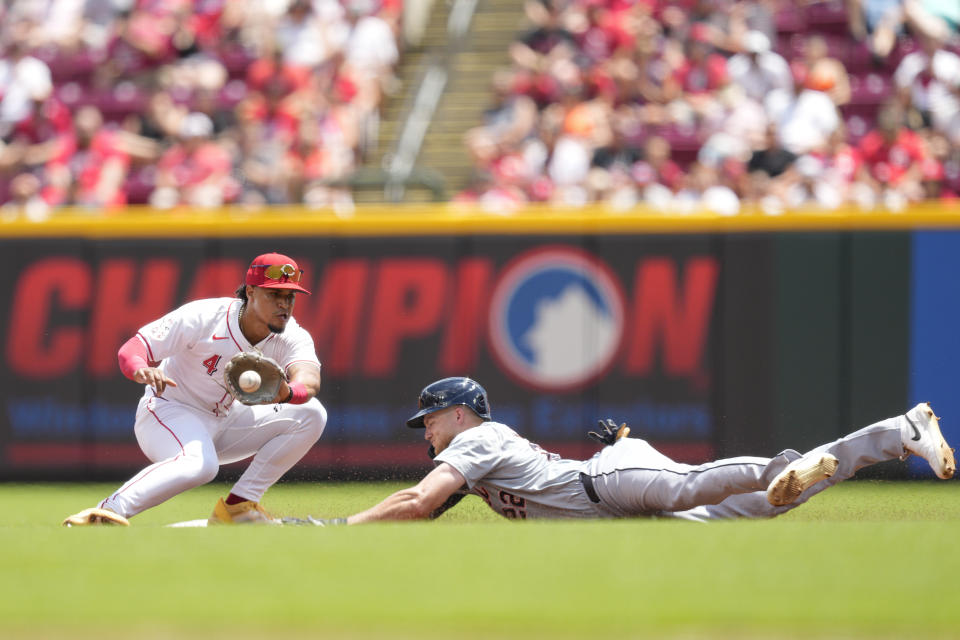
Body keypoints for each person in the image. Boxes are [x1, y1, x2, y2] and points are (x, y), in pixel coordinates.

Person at [319, 377, 953, 525]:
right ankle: (897, 433)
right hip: (622, 496)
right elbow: (426, 509)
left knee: (692, 484)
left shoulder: (478, 438)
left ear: (457, 413)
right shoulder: (478, 451)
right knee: (764, 509)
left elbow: (418, 500)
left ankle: (777, 464)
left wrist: (340, 526)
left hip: (610, 483)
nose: (424, 431)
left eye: (428, 420)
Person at [62, 253, 327, 526]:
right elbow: (132, 349)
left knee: (312, 413)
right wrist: (141, 368)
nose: (284, 304)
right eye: (275, 294)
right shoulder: (205, 317)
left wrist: (288, 393)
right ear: (251, 291)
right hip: (169, 412)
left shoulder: (291, 334)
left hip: (225, 420)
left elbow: (309, 379)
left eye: (290, 296)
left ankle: (239, 507)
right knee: (201, 465)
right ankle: (108, 510)